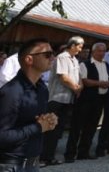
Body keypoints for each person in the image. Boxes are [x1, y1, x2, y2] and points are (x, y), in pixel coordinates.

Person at [0, 38, 57, 171]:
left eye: (53, 53)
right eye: (47, 54)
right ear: (29, 60)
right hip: (11, 165)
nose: (53, 58)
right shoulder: (11, 92)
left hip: (33, 162)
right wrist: (38, 127)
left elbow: (37, 122)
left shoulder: (42, 88)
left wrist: (49, 121)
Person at [40, 36, 82, 165]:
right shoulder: (62, 57)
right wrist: (76, 88)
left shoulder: (74, 60)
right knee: (50, 129)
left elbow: (78, 77)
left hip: (67, 99)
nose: (81, 48)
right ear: (73, 45)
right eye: (80, 46)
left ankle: (49, 156)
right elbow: (63, 77)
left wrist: (79, 87)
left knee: (58, 130)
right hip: (57, 98)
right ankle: (42, 158)